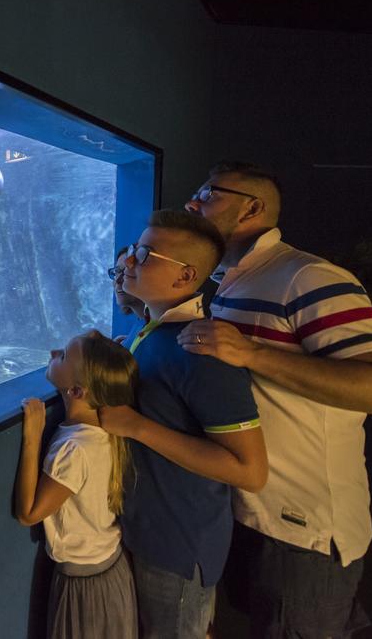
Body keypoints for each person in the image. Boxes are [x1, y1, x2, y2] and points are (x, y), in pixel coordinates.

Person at [180, 161, 372, 637]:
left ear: (253, 208)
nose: (192, 203)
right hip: (255, 514)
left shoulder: (307, 276)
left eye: (207, 193)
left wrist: (250, 352)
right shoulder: (232, 282)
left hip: (303, 530)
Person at [99, 209, 267, 638]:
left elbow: (250, 470)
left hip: (177, 542)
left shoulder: (200, 349)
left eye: (144, 254)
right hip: (153, 530)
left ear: (186, 275)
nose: (129, 263)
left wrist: (136, 426)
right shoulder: (152, 332)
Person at [14, 329, 139, 639]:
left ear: (77, 392)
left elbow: (28, 513)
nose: (55, 351)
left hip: (85, 588)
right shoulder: (105, 430)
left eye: (65, 356)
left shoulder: (74, 448)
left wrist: (32, 435)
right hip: (111, 572)